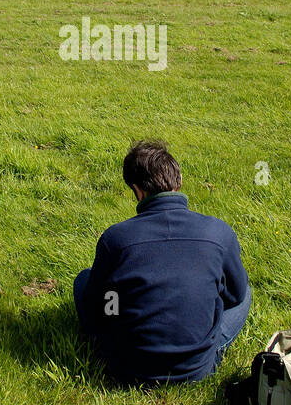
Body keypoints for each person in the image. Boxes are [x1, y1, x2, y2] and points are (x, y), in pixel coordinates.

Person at [74, 140, 251, 385]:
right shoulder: (219, 232)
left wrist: (114, 310)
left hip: (125, 366)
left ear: (138, 191)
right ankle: (204, 342)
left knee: (85, 279)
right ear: (178, 182)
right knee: (246, 292)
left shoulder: (115, 239)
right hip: (197, 367)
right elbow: (235, 295)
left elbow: (100, 307)